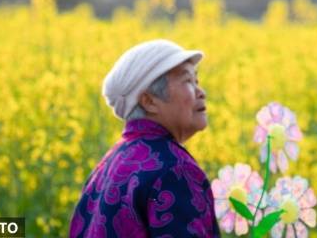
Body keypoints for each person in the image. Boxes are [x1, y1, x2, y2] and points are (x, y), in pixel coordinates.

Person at [69, 39, 221, 237]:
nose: (202, 92)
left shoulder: (107, 166)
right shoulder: (175, 170)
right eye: (188, 81)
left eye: (197, 81)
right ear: (149, 101)